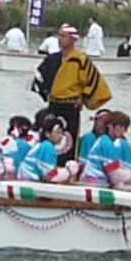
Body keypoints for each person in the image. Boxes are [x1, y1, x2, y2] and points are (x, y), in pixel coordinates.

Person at [31, 24, 112, 165]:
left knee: (69, 139)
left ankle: (68, 167)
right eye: (59, 36)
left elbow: (92, 80)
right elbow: (40, 76)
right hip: (53, 105)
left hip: (71, 105)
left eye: (63, 36)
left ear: (73, 39)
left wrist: (83, 98)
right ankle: (46, 164)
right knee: (49, 135)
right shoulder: (52, 58)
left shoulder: (81, 60)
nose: (59, 39)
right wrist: (45, 92)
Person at [81, 111, 131, 189]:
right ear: (109, 126)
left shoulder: (106, 141)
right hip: (95, 182)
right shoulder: (105, 143)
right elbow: (115, 176)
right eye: (120, 126)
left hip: (99, 181)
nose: (123, 130)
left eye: (125, 127)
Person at [16, 114, 76, 183]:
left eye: (62, 133)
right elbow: (48, 175)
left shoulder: (42, 145)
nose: (61, 136)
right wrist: (68, 172)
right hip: (31, 179)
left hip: (24, 177)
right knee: (71, 167)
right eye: (58, 132)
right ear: (47, 134)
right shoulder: (48, 147)